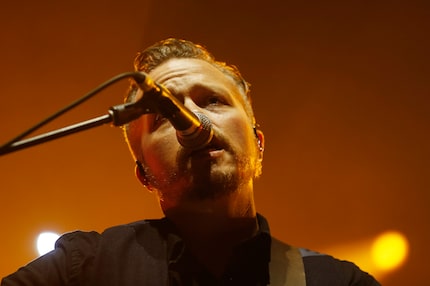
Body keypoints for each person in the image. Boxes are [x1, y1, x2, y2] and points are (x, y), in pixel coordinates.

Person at [1, 38, 380, 286]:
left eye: (212, 100)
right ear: (144, 174)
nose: (194, 121)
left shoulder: (337, 281)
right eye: (164, 116)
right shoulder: (83, 269)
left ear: (258, 143)